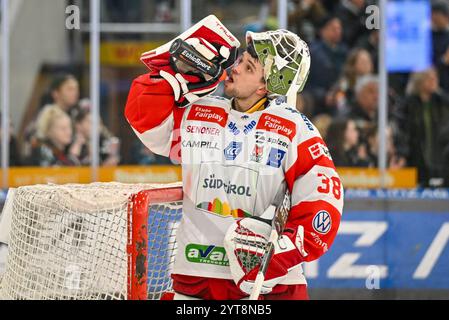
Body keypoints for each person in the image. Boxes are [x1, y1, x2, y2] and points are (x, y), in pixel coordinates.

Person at [125, 18, 343, 300]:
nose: (235, 68)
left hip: (268, 286)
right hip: (196, 279)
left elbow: (324, 202)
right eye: (241, 60)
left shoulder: (294, 128)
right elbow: (143, 117)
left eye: (249, 67)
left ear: (266, 86)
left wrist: (279, 256)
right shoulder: (197, 111)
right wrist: (177, 72)